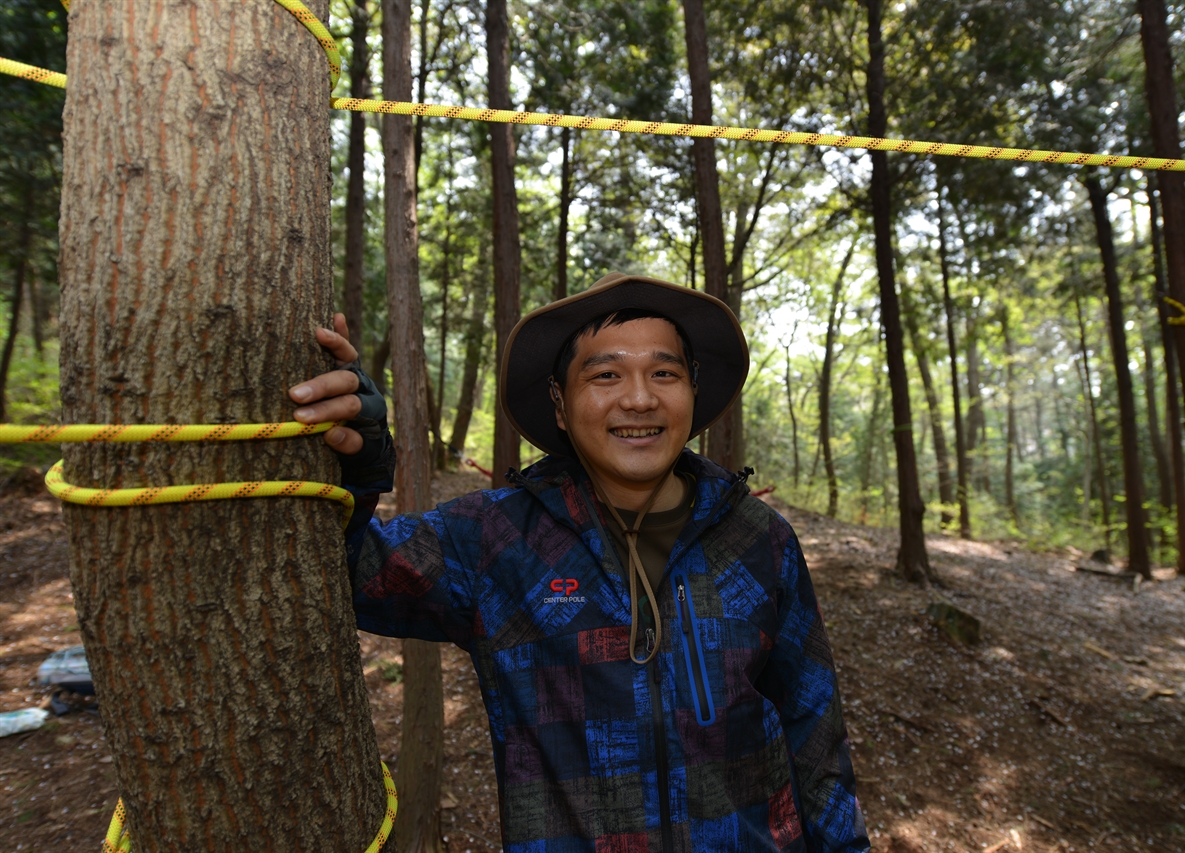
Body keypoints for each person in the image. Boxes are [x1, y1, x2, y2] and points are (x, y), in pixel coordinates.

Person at [290, 273, 869, 852]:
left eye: (664, 373)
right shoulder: (497, 540)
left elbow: (814, 728)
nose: (640, 398)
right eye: (606, 374)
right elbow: (344, 576)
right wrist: (360, 466)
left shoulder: (759, 540)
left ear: (692, 393)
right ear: (560, 406)